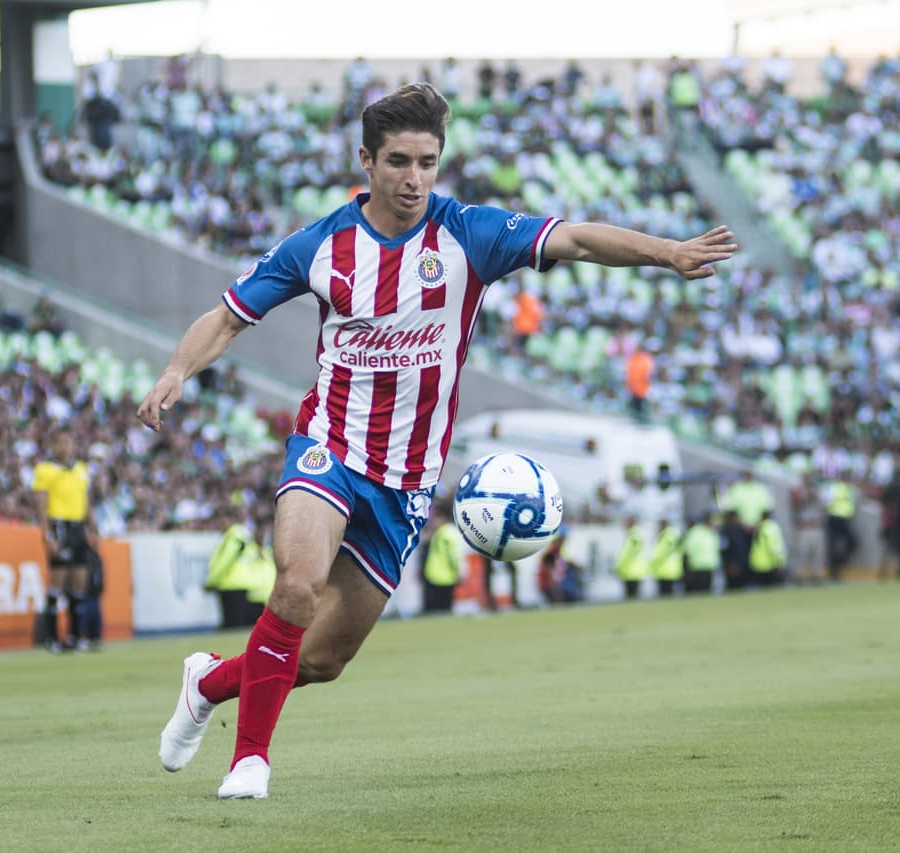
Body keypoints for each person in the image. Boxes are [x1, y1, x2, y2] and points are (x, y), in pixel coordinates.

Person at [138, 82, 736, 800]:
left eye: (427, 162)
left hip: (409, 480)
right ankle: (250, 762)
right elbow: (228, 317)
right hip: (330, 447)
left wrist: (666, 252)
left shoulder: (469, 234)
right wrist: (176, 371)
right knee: (296, 584)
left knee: (322, 659)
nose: (414, 177)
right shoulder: (321, 246)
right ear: (366, 161)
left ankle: (208, 682)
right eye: (398, 161)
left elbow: (575, 238)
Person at [31, 430, 94, 652]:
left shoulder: (82, 469)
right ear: (53, 445)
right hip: (59, 526)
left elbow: (86, 500)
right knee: (56, 583)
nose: (65, 447)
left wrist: (92, 527)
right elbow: (41, 504)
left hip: (78, 527)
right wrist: (48, 534)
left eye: (68, 442)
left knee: (79, 582)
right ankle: (51, 638)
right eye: (61, 443)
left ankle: (76, 636)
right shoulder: (45, 470)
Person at [421, 497, 464, 613]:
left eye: (435, 518)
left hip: (441, 577)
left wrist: (460, 570)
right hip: (442, 576)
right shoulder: (443, 532)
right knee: (443, 610)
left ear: (442, 517)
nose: (433, 522)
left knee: (439, 611)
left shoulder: (446, 532)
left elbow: (454, 555)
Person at [681, 514, 721, 594]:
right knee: (698, 592)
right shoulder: (695, 532)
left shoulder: (712, 532)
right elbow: (687, 551)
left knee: (707, 592)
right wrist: (687, 568)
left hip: (709, 566)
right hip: (697, 567)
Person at [614, 516, 648, 600]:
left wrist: (618, 565)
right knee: (634, 597)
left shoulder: (633, 536)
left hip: (631, 570)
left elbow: (626, 553)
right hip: (635, 570)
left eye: (626, 522)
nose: (624, 525)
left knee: (631, 597)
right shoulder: (637, 534)